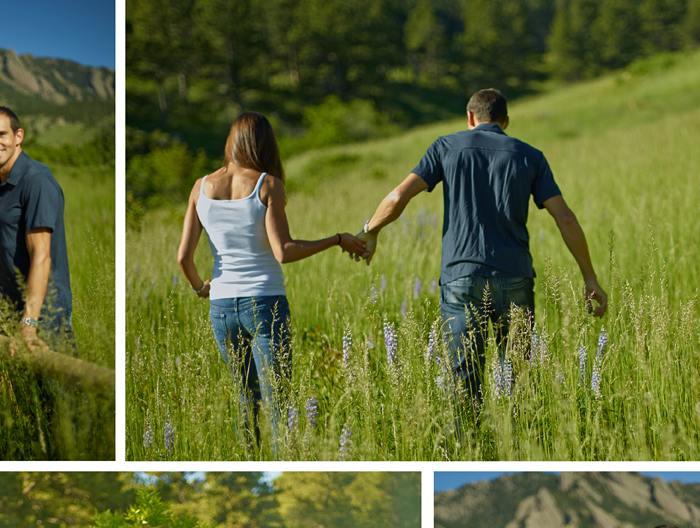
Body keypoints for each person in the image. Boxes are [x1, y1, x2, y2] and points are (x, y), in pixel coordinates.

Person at [357, 88, 608, 417]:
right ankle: (517, 446)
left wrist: (370, 232)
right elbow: (565, 218)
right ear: (505, 122)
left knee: (462, 383)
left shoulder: (445, 147)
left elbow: (397, 197)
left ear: (470, 117)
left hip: (462, 278)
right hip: (515, 278)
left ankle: (466, 449)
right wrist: (589, 277)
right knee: (518, 383)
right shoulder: (530, 155)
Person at [176, 111, 368, 457]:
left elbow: (183, 258)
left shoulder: (199, 187)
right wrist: (337, 239)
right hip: (264, 303)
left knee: (244, 398)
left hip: (221, 306)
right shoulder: (268, 185)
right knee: (278, 400)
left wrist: (201, 289)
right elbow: (283, 251)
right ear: (264, 144)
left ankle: (247, 460)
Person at [0, 106, 74, 352]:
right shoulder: (1, 185)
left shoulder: (36, 181)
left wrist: (29, 324)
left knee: (59, 389)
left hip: (42, 317)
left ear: (18, 136)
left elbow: (42, 256)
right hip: (11, 315)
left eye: (1, 134)